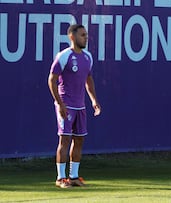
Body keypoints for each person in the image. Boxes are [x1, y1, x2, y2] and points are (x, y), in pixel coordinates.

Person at [48, 24, 101, 188]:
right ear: (72, 37)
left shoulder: (87, 57)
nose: (86, 38)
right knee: (64, 140)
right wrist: (59, 103)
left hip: (81, 106)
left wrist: (93, 100)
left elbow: (89, 80)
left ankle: (74, 177)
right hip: (66, 105)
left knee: (79, 140)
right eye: (82, 35)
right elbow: (52, 79)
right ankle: (60, 178)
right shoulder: (64, 56)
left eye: (86, 35)